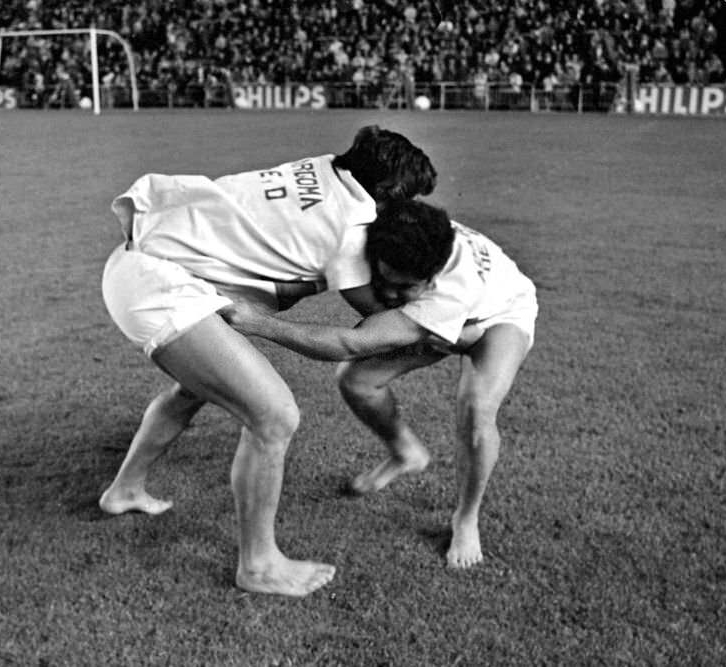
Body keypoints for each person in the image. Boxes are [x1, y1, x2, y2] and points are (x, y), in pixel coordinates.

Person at [98, 126, 437, 597]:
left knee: (192, 390)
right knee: (274, 417)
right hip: (159, 288)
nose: (407, 214)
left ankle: (125, 491)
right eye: (406, 201)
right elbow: (375, 314)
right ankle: (258, 566)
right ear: (385, 193)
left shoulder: (323, 167)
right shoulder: (353, 222)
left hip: (137, 266)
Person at [220, 199, 537, 569]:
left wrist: (257, 322)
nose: (389, 294)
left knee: (477, 410)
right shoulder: (390, 233)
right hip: (445, 321)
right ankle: (407, 453)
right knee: (357, 381)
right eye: (385, 279)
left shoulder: (450, 291)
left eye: (404, 288)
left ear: (431, 279)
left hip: (498, 315)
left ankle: (466, 519)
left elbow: (348, 343)